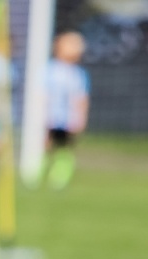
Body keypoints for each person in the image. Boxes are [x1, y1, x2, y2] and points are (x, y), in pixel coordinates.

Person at [41, 31, 89, 190]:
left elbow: (81, 98)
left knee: (65, 148)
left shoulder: (79, 74)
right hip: (50, 116)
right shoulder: (50, 70)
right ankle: (38, 173)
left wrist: (80, 118)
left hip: (68, 119)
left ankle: (59, 176)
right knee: (45, 145)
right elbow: (42, 94)